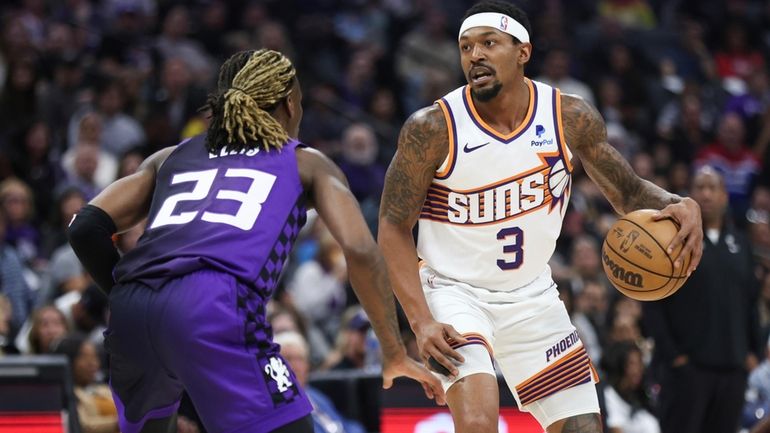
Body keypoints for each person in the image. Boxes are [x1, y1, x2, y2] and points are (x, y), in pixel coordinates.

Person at [67, 49, 443, 433]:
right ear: (289, 105)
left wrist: (126, 295)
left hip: (132, 310)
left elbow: (84, 226)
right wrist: (393, 350)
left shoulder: (170, 156)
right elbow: (362, 250)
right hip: (211, 302)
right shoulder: (306, 162)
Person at [377, 2, 703, 433]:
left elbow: (628, 193)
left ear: (522, 52)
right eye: (466, 46)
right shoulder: (433, 128)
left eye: (489, 43)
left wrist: (680, 203)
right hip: (455, 293)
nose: (475, 55)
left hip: (532, 296)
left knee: (584, 427)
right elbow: (391, 226)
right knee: (477, 423)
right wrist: (420, 321)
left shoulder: (568, 116)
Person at [643, 166, 762, 433]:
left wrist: (752, 350)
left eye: (712, 188)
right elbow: (652, 301)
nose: (706, 194)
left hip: (732, 368)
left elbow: (751, 302)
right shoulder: (670, 239)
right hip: (687, 370)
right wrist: (673, 356)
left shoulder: (740, 243)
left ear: (725, 196)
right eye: (699, 188)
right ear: (689, 196)